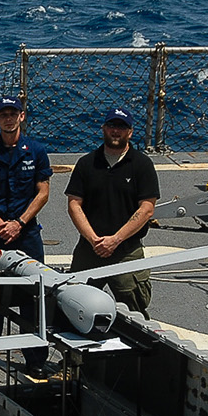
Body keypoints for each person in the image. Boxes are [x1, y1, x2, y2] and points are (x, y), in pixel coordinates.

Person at [0, 96, 52, 378]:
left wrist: (19, 222)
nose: (8, 118)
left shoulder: (36, 151)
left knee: (32, 297)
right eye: (3, 114)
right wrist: (0, 223)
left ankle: (35, 357)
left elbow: (43, 192)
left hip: (26, 234)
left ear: (22, 116)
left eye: (13, 113)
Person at [65, 107, 160, 314]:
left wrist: (115, 240)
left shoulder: (142, 165)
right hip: (90, 248)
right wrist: (94, 240)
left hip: (126, 249)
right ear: (103, 129)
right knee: (74, 304)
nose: (116, 131)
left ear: (130, 132)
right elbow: (74, 204)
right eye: (111, 126)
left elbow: (146, 209)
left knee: (136, 308)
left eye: (121, 126)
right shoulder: (86, 163)